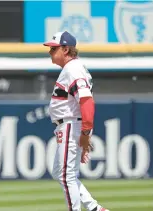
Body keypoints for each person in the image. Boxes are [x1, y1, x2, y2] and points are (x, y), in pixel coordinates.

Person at [43, 31, 109, 211]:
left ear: (65, 49)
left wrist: (85, 133)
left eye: (53, 49)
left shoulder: (73, 68)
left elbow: (86, 101)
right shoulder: (72, 68)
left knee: (66, 175)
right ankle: (95, 209)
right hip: (71, 124)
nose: (50, 52)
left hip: (72, 124)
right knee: (62, 173)